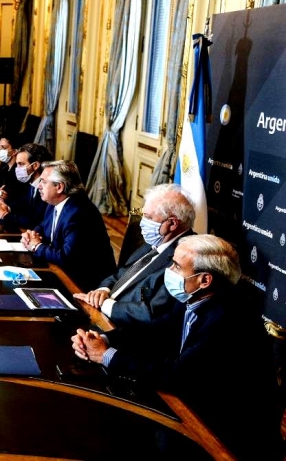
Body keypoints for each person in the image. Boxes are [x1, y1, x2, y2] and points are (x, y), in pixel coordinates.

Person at [71, 235, 283, 459]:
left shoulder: (227, 318)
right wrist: (107, 340)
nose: (168, 271)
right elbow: (158, 329)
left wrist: (107, 356)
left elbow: (178, 375)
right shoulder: (197, 298)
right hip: (198, 402)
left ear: (204, 280)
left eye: (176, 266)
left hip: (228, 431)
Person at [74, 184, 195, 325]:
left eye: (148, 217)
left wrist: (105, 304)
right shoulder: (157, 240)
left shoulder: (185, 259)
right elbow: (122, 273)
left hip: (123, 330)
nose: (142, 223)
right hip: (101, 312)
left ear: (172, 224)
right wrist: (102, 290)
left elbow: (151, 313)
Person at [21, 160, 115, 291]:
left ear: (59, 187)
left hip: (84, 284)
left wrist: (36, 246)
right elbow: (44, 225)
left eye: (44, 181)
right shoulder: (55, 201)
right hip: (62, 271)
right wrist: (32, 234)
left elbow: (66, 258)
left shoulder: (79, 213)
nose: (39, 186)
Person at [0, 142, 51, 229]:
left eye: (21, 164)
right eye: (17, 164)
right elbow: (21, 204)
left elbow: (34, 222)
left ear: (35, 165)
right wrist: (5, 206)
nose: (17, 168)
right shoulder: (30, 184)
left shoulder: (47, 189)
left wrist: (5, 215)